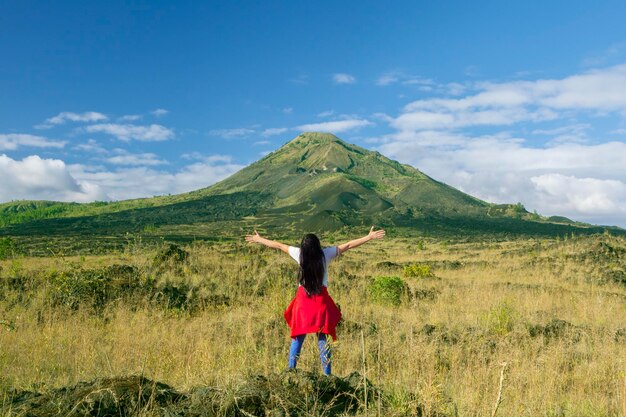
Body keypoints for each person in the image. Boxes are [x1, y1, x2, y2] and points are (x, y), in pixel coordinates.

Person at [245, 226, 385, 375]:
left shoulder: (299, 254)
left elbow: (279, 245)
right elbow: (349, 245)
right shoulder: (325, 254)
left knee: (298, 336)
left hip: (303, 302)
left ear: (303, 248)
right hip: (321, 301)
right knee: (322, 337)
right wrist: (368, 237)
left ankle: (290, 371)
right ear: (318, 246)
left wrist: (259, 239)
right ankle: (327, 374)